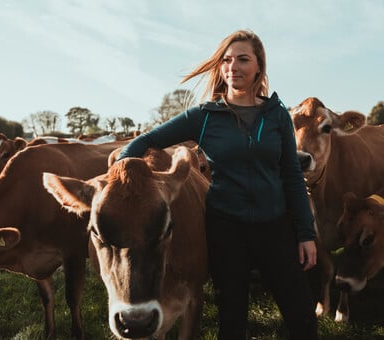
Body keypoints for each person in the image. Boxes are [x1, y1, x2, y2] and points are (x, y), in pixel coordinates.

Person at [118, 29, 318, 339]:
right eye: (226, 60)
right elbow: (147, 140)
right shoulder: (204, 116)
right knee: (232, 320)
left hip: (275, 226)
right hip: (227, 229)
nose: (233, 67)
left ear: (258, 66)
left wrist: (305, 233)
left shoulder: (277, 114)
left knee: (302, 315)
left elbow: (292, 175)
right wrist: (120, 170)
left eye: (243, 59)